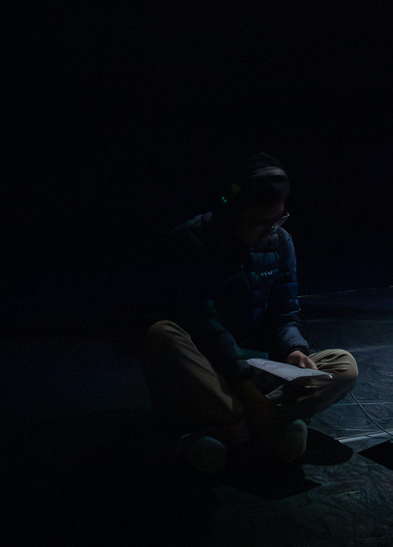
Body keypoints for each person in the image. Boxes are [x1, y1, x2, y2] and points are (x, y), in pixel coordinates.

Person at [141, 152, 358, 477]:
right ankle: (259, 423)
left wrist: (294, 349)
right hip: (209, 370)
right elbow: (205, 326)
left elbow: (285, 313)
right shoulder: (191, 241)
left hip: (257, 367)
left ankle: (226, 428)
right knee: (161, 334)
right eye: (261, 222)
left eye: (277, 220)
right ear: (234, 211)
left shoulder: (280, 242)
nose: (270, 229)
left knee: (343, 366)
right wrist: (249, 394)